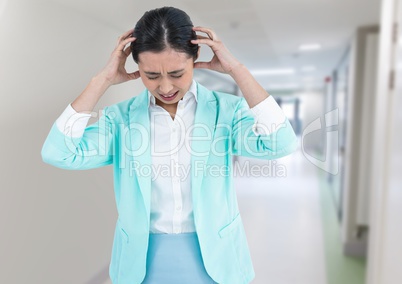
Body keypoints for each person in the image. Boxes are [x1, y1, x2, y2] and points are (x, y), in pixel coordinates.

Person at [41, 6, 297, 284]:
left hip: (217, 262)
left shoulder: (226, 111)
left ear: (195, 57)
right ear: (136, 67)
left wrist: (238, 71)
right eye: (151, 76)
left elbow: (280, 144)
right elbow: (59, 153)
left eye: (176, 73)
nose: (165, 87)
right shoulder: (121, 119)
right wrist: (101, 81)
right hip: (142, 264)